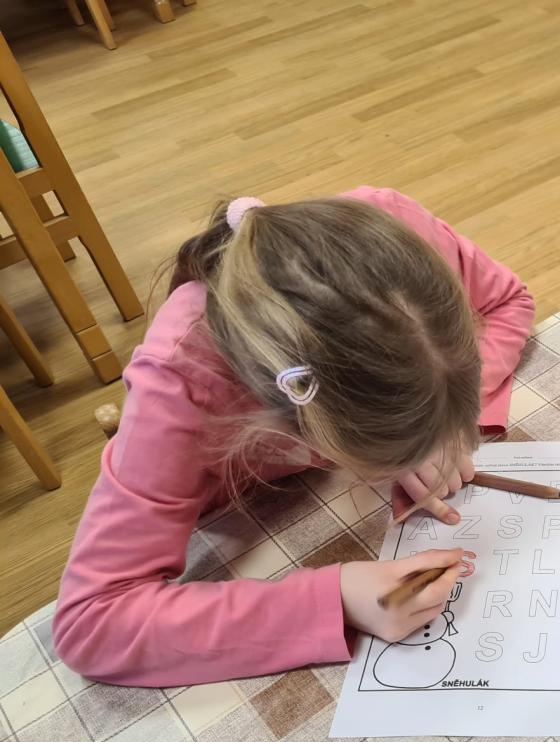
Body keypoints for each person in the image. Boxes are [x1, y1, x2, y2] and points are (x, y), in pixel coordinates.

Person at [54, 188, 534, 686]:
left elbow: (508, 300)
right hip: (229, 501)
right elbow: (93, 622)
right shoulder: (179, 380)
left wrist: (430, 419)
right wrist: (338, 598)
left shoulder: (397, 229)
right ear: (298, 419)